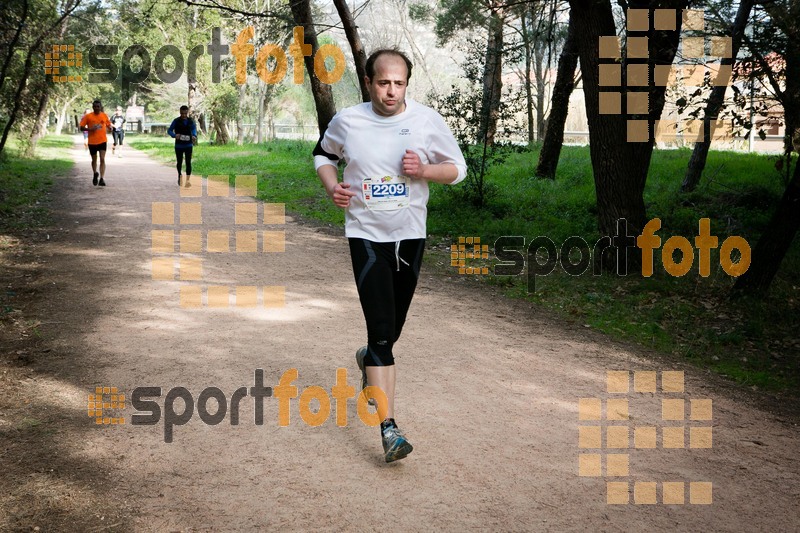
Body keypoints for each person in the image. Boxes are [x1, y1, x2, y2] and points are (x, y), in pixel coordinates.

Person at [313, 49, 466, 463]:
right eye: (383, 83)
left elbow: (457, 168)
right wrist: (333, 188)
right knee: (382, 330)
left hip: (410, 236)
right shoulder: (348, 120)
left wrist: (424, 172)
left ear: (406, 84)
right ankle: (389, 428)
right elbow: (323, 154)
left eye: (398, 83)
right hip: (365, 235)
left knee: (391, 331)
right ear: (369, 82)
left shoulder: (425, 120)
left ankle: (368, 359)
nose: (391, 91)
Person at [79, 100, 111, 186]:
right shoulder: (88, 116)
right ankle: (95, 173)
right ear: (93, 107)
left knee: (102, 158)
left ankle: (102, 178)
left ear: (100, 107)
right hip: (92, 142)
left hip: (102, 141)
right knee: (94, 159)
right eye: (95, 106)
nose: (97, 108)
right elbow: (81, 127)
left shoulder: (104, 115)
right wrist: (90, 129)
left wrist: (110, 128)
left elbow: (108, 125)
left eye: (98, 106)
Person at [167, 105, 197, 187]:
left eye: (185, 113)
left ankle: (188, 180)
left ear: (187, 112)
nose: (183, 115)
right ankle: (179, 175)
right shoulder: (176, 121)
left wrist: (194, 135)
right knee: (179, 162)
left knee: (188, 163)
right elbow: (169, 130)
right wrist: (174, 135)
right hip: (179, 146)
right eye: (182, 113)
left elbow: (194, 129)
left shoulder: (191, 121)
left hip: (188, 145)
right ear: (180, 112)